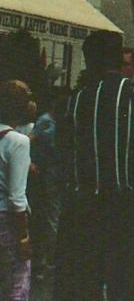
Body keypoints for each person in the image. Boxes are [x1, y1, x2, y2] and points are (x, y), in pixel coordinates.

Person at [54, 30, 134, 301]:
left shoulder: (78, 98)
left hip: (86, 207)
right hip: (128, 206)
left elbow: (66, 151)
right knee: (126, 282)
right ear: (118, 59)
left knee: (88, 280)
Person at [0, 80, 35, 301]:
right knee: (17, 280)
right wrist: (23, 238)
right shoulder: (18, 142)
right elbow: (16, 197)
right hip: (8, 221)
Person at [27, 92, 63, 280]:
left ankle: (48, 258)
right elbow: (32, 139)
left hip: (50, 175)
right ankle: (48, 258)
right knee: (49, 217)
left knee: (49, 216)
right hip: (45, 175)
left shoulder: (52, 121)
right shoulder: (47, 121)